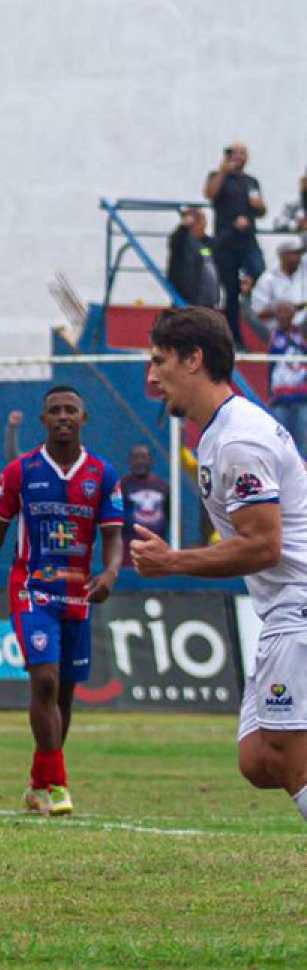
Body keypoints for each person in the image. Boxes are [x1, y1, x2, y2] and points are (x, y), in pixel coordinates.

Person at [135, 307, 307, 828]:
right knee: (257, 759)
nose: (150, 376)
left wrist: (172, 562)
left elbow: (263, 546)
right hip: (282, 609)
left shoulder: (237, 440)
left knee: (282, 755)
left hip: (296, 608)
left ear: (194, 360)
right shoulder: (223, 431)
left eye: (159, 361)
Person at [0, 385, 123, 817]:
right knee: (44, 681)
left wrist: (110, 572)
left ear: (84, 419)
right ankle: (59, 786)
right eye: (54, 411)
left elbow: (113, 537)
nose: (63, 416)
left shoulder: (102, 475)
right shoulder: (20, 472)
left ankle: (37, 782)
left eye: (71, 410)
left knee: (65, 692)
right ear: (43, 420)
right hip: (32, 590)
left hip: (77, 594)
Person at [205, 143, 267, 346]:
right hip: (225, 241)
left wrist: (260, 207)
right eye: (235, 153)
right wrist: (223, 171)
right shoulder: (218, 176)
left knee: (259, 267)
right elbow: (209, 194)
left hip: (247, 239)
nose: (239, 157)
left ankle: (246, 284)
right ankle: (235, 338)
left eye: (243, 154)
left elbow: (261, 209)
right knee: (230, 293)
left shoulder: (251, 182)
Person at [264, 292, 307, 454]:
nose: (282, 316)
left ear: (293, 314)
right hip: (280, 399)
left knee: (303, 445)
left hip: (302, 398)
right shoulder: (273, 336)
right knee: (280, 445)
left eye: (286, 311)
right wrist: (269, 393)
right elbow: (271, 366)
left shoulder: (301, 334)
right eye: (279, 312)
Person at [118, 443, 170, 568]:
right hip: (129, 546)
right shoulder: (122, 485)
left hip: (155, 544)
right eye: (135, 457)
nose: (139, 461)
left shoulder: (162, 486)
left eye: (143, 457)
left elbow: (169, 514)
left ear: (151, 461)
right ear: (130, 461)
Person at [165, 206, 220, 309]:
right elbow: (176, 241)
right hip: (188, 300)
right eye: (200, 220)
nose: (204, 224)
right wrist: (184, 226)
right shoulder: (183, 244)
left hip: (208, 300)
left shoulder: (208, 243)